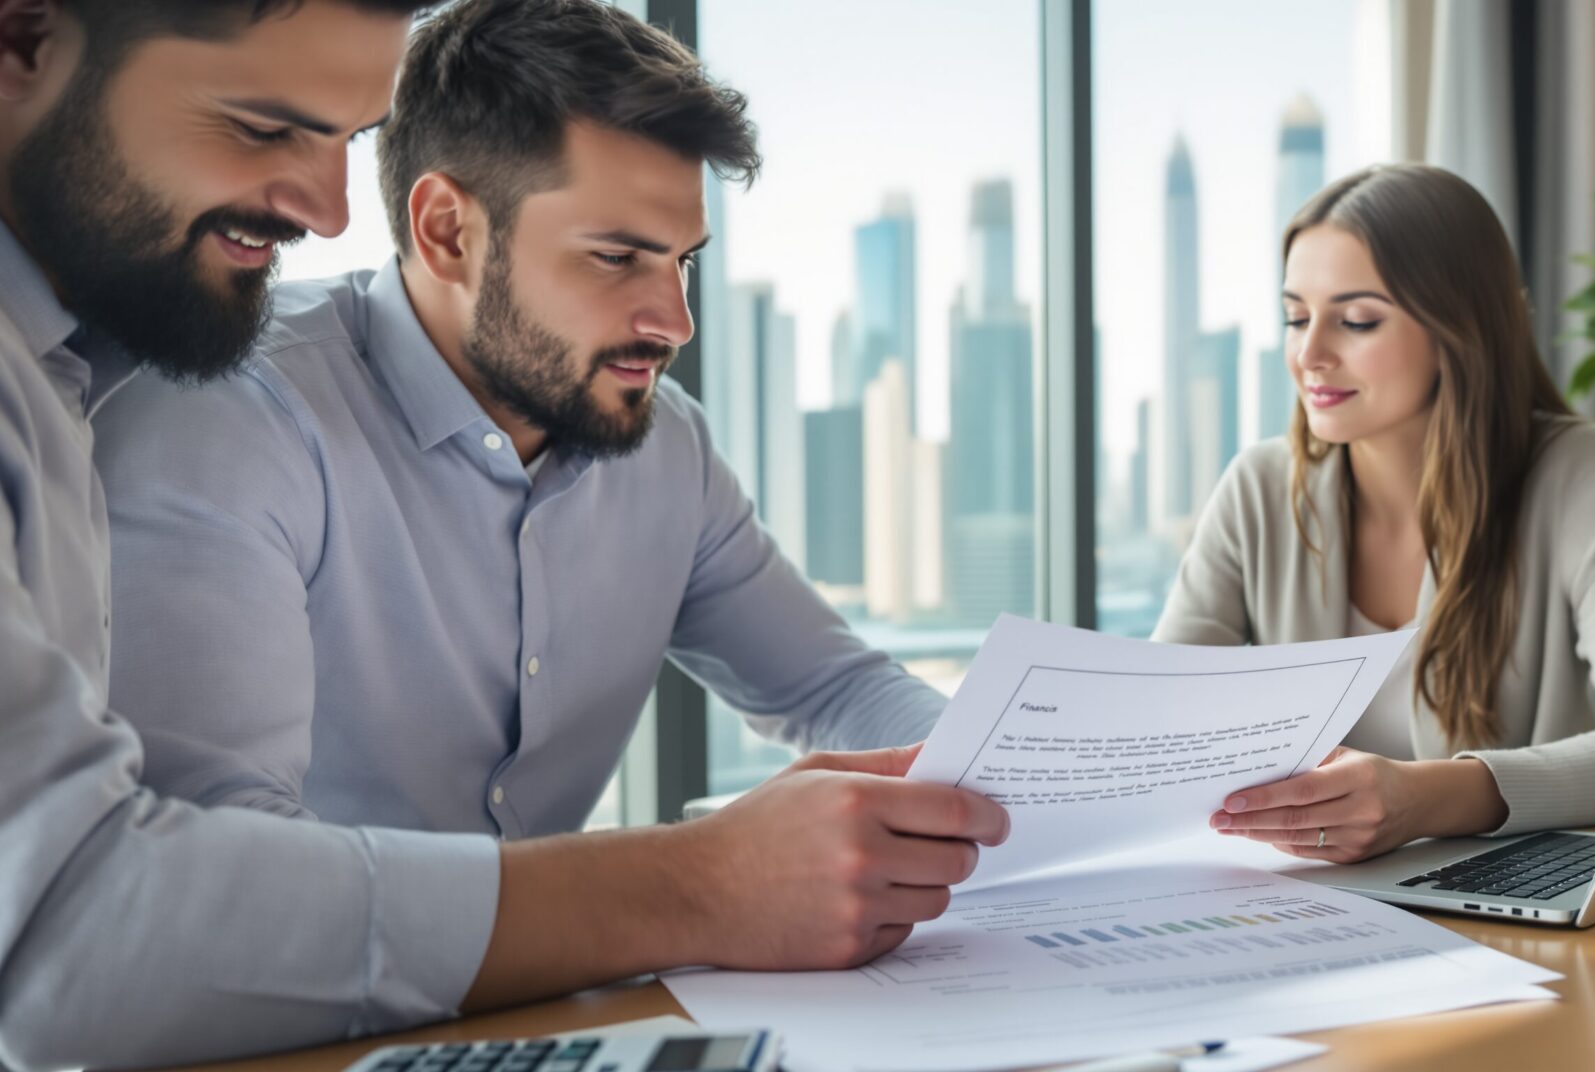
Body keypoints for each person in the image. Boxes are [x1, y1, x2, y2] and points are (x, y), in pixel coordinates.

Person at [0, 3, 1003, 1068]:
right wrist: (710, 880)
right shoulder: (221, 413)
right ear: (446, 231)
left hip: (525, 1030)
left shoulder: (666, 448)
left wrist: (1013, 782)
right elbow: (177, 903)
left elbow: (831, 684)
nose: (674, 320)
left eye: (683, 262)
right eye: (616, 256)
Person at [1154, 164, 1595, 864]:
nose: (1310, 354)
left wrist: (1423, 800)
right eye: (1296, 318)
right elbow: (1157, 721)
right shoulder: (1257, 489)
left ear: (1456, 328)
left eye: (1356, 321)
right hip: (1304, 903)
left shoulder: (1577, 472)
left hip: (1511, 899)